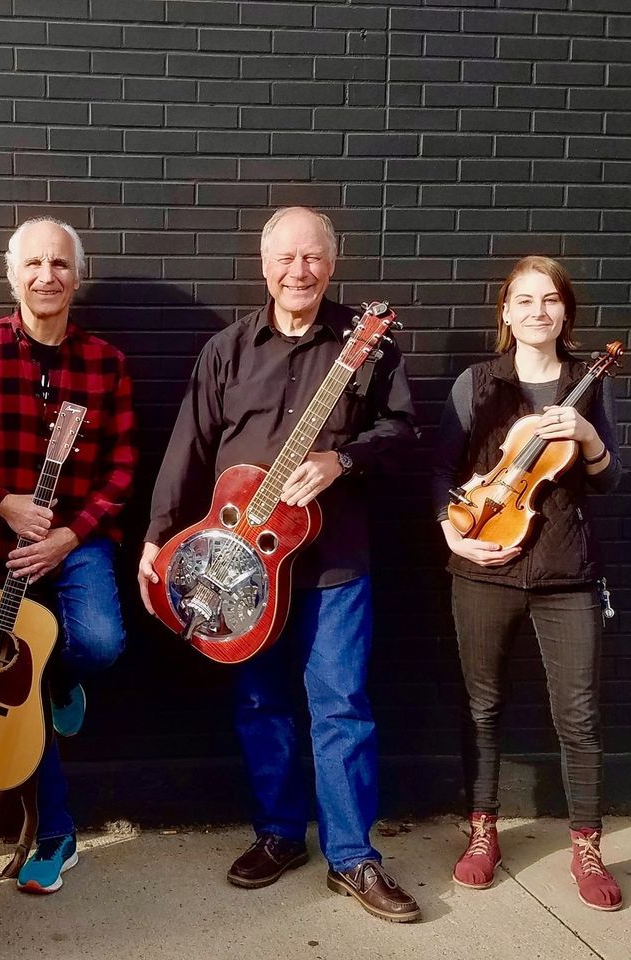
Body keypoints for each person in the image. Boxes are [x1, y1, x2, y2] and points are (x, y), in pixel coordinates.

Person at [139, 206, 422, 923]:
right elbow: (189, 446)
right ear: (264, 265)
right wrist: (158, 536)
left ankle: (353, 857)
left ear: (333, 263)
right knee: (260, 704)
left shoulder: (367, 345)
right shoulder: (226, 350)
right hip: (238, 569)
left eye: (314, 258)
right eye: (287, 258)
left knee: (341, 706)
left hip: (334, 566)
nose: (300, 271)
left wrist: (342, 459)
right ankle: (278, 834)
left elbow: (402, 432)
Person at [0, 216, 136, 895]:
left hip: (76, 543)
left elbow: (123, 465)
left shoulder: (106, 363)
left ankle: (61, 682)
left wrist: (69, 533)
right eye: (33, 264)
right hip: (2, 547)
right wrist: (3, 503)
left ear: (76, 277)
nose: (46, 276)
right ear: (12, 274)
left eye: (59, 265)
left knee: (101, 642)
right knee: (14, 688)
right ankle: (57, 832)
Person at [432, 256, 623, 910]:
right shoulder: (477, 383)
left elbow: (609, 479)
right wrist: (450, 530)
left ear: (565, 313)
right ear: (506, 311)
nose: (538, 311)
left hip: (567, 570)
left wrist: (591, 441)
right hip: (482, 560)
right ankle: (483, 828)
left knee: (578, 714)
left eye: (551, 300)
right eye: (525, 300)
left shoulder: (590, 385)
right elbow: (441, 471)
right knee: (481, 705)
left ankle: (585, 842)